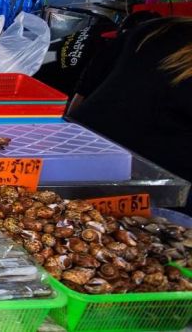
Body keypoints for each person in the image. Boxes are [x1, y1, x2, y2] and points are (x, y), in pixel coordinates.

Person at [67, 17, 192, 213]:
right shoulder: (154, 31)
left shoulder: (153, 28)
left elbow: (82, 94)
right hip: (151, 196)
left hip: (79, 164)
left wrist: (69, 136)